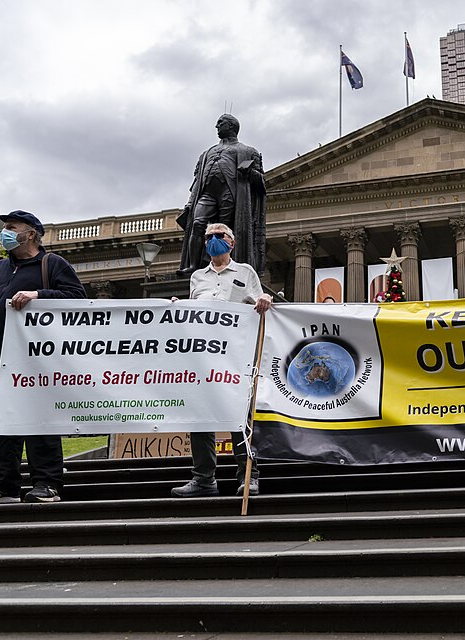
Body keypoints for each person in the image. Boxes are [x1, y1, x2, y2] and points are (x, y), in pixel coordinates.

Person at [0, 210, 87, 504]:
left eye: (11, 227)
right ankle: (3, 484)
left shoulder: (52, 264)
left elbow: (79, 300)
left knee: (39, 419)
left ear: (30, 233)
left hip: (35, 360)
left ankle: (47, 483)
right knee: (1, 423)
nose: (4, 232)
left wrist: (39, 295)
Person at [171, 223, 272, 498]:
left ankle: (248, 475)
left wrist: (264, 296)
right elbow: (195, 313)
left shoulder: (245, 272)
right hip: (203, 357)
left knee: (240, 417)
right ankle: (203, 478)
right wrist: (179, 307)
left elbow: (259, 303)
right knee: (201, 418)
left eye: (220, 236)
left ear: (232, 243)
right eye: (209, 237)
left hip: (235, 356)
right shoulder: (197, 277)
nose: (214, 240)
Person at [177, 114, 266, 277]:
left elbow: (261, 181)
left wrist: (250, 173)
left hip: (230, 194)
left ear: (231, 126)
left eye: (220, 123)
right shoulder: (205, 154)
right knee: (198, 224)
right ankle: (193, 266)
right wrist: (190, 204)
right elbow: (197, 182)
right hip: (207, 194)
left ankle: (226, 264)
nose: (216, 126)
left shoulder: (248, 151)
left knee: (224, 232)